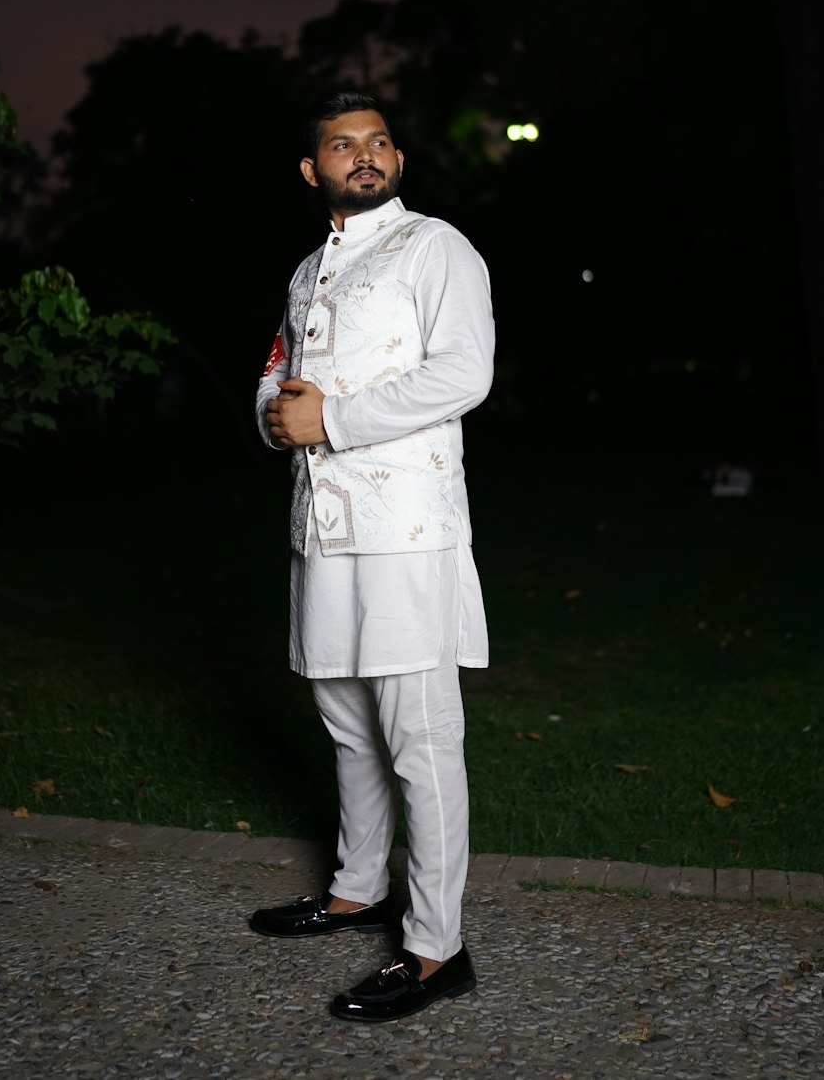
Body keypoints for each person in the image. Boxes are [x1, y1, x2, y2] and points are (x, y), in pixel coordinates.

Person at [249, 90, 496, 1023]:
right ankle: (357, 888)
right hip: (325, 529)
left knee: (421, 742)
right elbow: (277, 372)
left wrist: (335, 419)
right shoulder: (311, 267)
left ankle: (437, 949)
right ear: (313, 171)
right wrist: (277, 417)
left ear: (396, 160)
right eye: (343, 145)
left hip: (405, 534)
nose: (366, 154)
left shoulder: (435, 246)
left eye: (380, 140)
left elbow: (463, 372)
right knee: (347, 721)